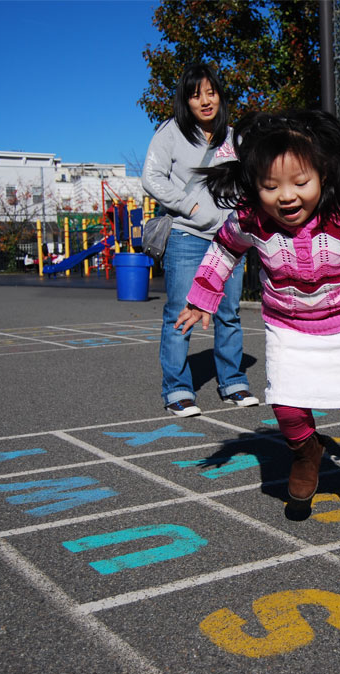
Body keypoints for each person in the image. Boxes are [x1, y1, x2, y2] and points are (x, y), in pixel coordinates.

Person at [175, 109, 340, 502]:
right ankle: (305, 452)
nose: (287, 195)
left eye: (300, 182)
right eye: (271, 186)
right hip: (288, 327)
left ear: (323, 175)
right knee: (288, 407)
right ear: (255, 186)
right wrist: (201, 299)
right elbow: (224, 249)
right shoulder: (252, 219)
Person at [142, 63, 259, 417]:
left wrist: (243, 219)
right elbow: (152, 178)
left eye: (211, 92)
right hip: (187, 236)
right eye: (196, 95)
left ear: (220, 95)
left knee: (230, 312)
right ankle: (177, 389)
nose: (205, 101)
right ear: (186, 101)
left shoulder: (234, 138)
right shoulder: (171, 133)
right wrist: (190, 205)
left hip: (229, 240)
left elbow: (249, 182)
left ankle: (234, 382)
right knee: (180, 313)